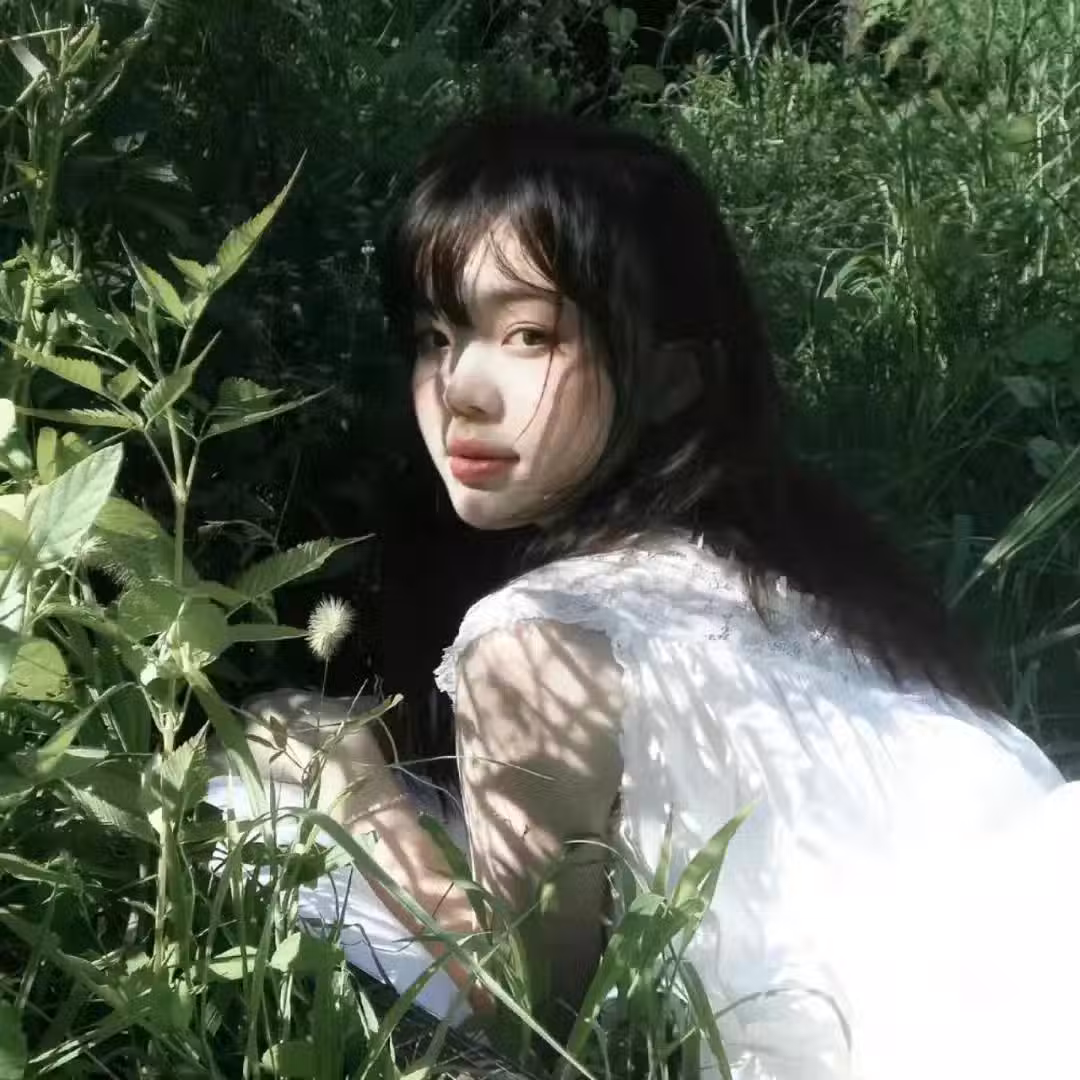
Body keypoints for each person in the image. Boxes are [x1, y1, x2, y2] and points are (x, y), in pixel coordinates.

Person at [231, 108, 1080, 1079]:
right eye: (435, 334)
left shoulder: (535, 641)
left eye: (529, 335)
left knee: (247, 807)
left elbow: (531, 1020)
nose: (460, 387)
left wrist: (356, 793)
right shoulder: (822, 578)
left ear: (673, 380)